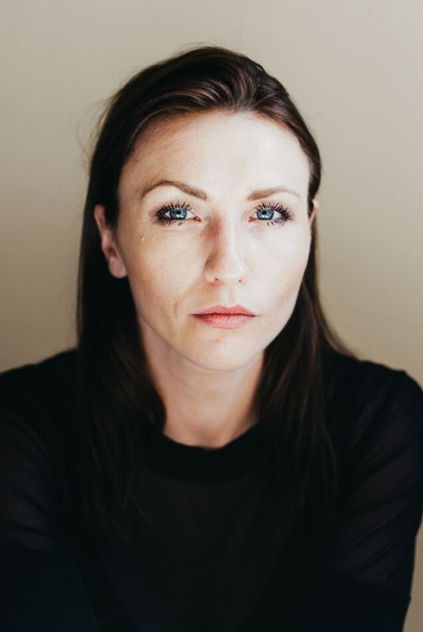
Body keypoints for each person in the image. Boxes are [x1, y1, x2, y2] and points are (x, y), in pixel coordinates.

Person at [0, 45, 422, 632]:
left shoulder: (379, 424)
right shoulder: (19, 430)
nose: (228, 266)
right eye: (177, 212)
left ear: (308, 231)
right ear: (111, 240)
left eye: (268, 213)